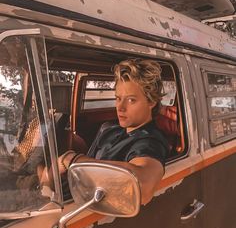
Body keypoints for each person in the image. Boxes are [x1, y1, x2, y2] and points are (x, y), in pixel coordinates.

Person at [46, 59, 169, 205]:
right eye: (118, 98)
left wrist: (71, 159)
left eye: (131, 100)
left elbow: (141, 187)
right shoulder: (108, 129)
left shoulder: (150, 142)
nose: (120, 107)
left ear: (151, 102)